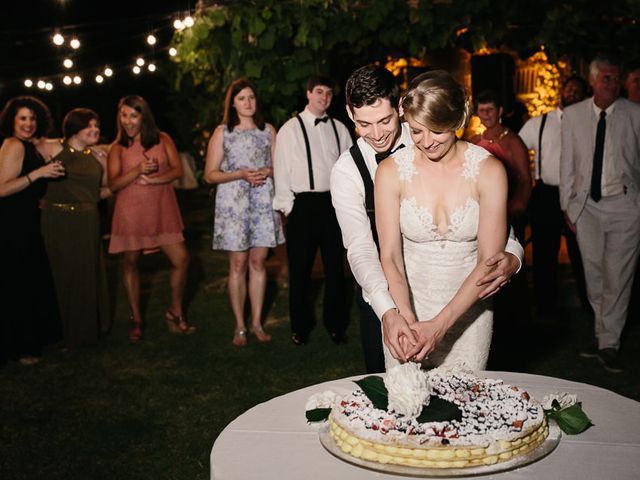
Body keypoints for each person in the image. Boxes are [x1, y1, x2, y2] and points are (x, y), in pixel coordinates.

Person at [331, 65, 523, 373]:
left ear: (400, 109)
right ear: (350, 116)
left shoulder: (432, 122)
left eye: (385, 121)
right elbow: (364, 249)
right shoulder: (350, 171)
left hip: (467, 306)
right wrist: (395, 312)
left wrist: (514, 255)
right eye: (365, 124)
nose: (378, 134)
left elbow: (496, 235)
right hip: (388, 292)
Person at [375, 70, 509, 370]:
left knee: (466, 411)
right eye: (416, 131)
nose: (426, 141)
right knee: (405, 408)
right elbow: (391, 256)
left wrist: (439, 325)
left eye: (436, 130)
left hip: (468, 313)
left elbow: (488, 262)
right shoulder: (390, 172)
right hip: (408, 306)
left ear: (457, 121)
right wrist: (406, 318)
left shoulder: (490, 171)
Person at [560, 55, 640, 373]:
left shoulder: (635, 114)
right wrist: (567, 205)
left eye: (615, 77)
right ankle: (601, 334)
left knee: (618, 277)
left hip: (625, 205)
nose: (612, 83)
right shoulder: (574, 114)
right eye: (606, 77)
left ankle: (609, 343)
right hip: (587, 208)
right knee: (594, 276)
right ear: (592, 80)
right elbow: (568, 162)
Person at [273, 75, 353, 346]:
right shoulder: (289, 129)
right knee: (300, 270)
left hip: (332, 205)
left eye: (329, 93)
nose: (324, 97)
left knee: (335, 270)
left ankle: (336, 325)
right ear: (308, 94)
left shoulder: (340, 128)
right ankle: (300, 327)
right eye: (319, 92)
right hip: (303, 206)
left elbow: (348, 167)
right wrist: (289, 208)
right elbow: (281, 171)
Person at [107, 95, 194, 342]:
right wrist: (137, 171)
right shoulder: (117, 148)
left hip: (162, 208)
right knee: (131, 263)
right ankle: (137, 319)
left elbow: (177, 170)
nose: (128, 121)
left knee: (182, 258)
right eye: (124, 115)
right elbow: (113, 185)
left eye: (133, 115)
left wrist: (156, 179)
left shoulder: (162, 139)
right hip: (131, 211)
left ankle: (175, 311)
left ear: (144, 116)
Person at [205, 79, 284, 347]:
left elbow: (281, 168)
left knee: (258, 262)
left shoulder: (268, 131)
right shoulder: (223, 132)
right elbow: (209, 175)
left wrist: (266, 171)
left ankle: (257, 322)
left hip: (262, 201)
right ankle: (240, 325)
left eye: (251, 97)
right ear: (233, 103)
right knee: (238, 264)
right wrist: (240, 173)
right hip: (234, 203)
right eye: (242, 98)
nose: (248, 102)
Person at [37, 108, 111, 348]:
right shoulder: (50, 148)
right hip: (56, 219)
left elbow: (106, 189)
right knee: (59, 273)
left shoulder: (99, 156)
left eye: (96, 125)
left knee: (85, 274)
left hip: (87, 220)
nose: (95, 129)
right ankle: (59, 330)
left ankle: (85, 331)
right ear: (74, 128)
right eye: (88, 125)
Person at [0, 96, 64, 365]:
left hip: (26, 221)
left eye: (32, 118)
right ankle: (21, 347)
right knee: (19, 284)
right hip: (12, 225)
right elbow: (2, 188)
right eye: (22, 118)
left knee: (29, 281)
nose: (28, 123)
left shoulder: (28, 146)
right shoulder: (13, 145)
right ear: (12, 121)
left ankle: (32, 340)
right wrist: (38, 174)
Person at [519, 76, 589, 318]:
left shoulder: (588, 123)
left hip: (578, 194)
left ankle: (589, 307)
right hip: (546, 193)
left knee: (582, 253)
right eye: (569, 88)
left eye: (578, 90)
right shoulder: (539, 123)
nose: (573, 93)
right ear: (561, 91)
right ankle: (545, 309)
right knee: (544, 254)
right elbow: (516, 150)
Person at [469, 90, 531, 242]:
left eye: (490, 109)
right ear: (477, 113)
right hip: (479, 213)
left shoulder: (513, 141)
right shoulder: (474, 142)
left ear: (500, 111)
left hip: (508, 211)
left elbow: (525, 179)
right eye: (482, 110)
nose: (486, 114)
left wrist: (518, 207)